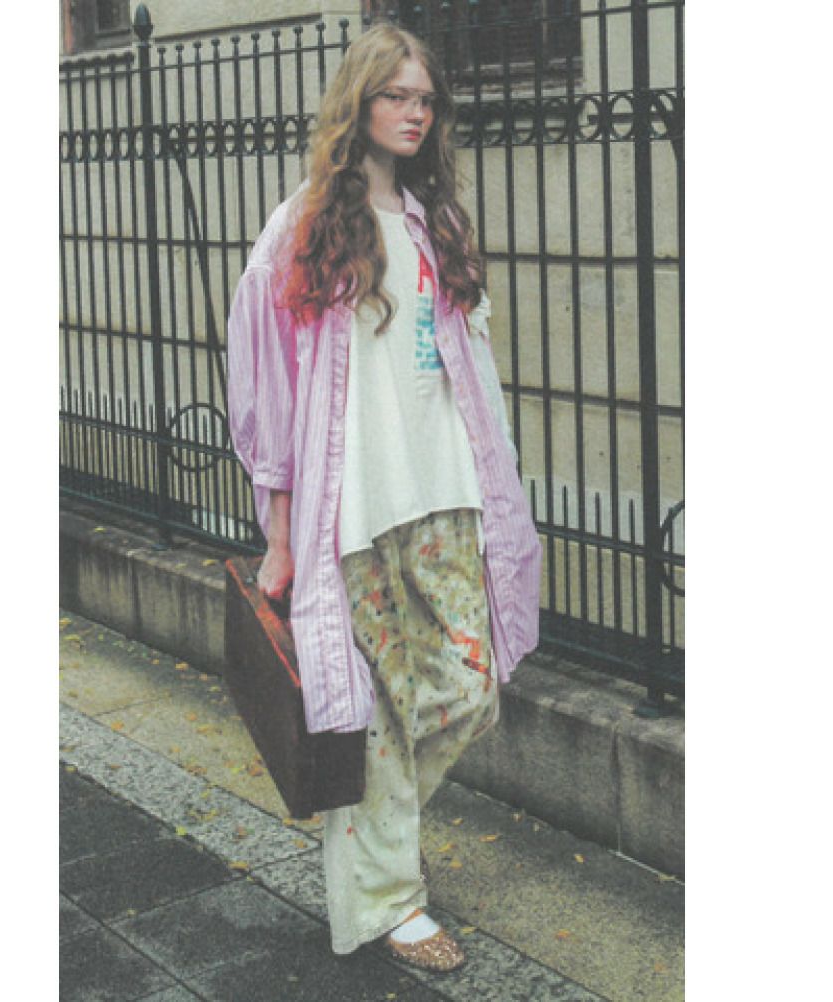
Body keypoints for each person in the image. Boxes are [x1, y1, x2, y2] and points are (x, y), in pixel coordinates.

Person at [227, 21, 541, 973]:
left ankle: (373, 846)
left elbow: (467, 366)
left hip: (444, 493)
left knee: (466, 690)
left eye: (426, 99)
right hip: (354, 509)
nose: (415, 113)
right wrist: (281, 532)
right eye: (396, 96)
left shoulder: (432, 220)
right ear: (357, 103)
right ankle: (391, 898)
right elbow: (267, 384)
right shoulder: (304, 227)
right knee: (376, 708)